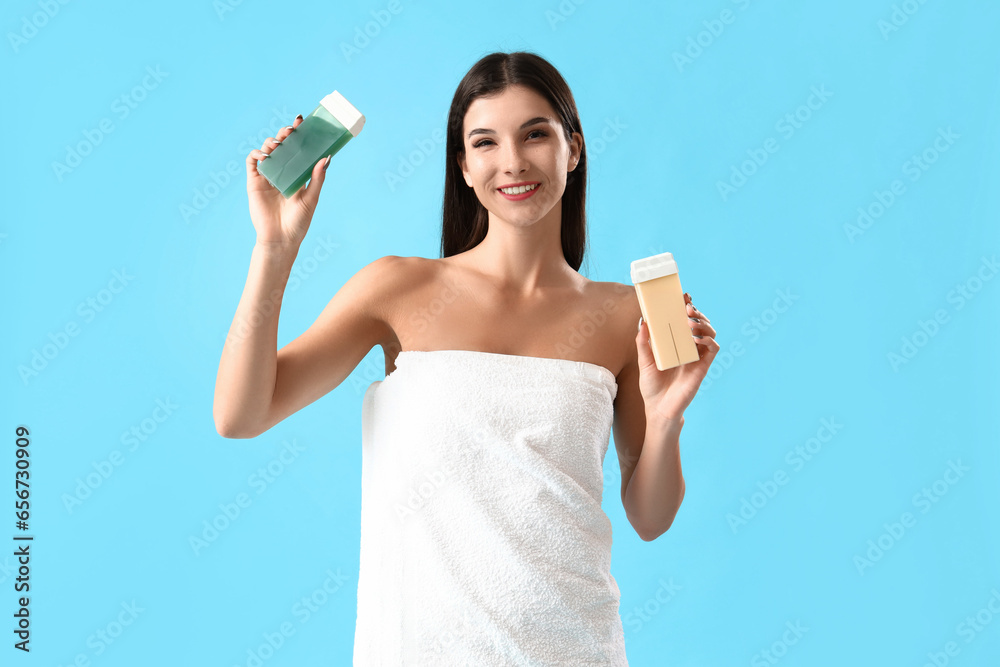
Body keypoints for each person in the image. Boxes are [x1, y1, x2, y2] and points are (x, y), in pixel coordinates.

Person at [214, 51, 719, 665]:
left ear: (574, 149)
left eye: (536, 133)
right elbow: (241, 414)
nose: (512, 161)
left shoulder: (624, 315)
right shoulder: (397, 290)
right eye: (485, 142)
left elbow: (650, 516)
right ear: (464, 163)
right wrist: (273, 249)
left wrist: (666, 417)